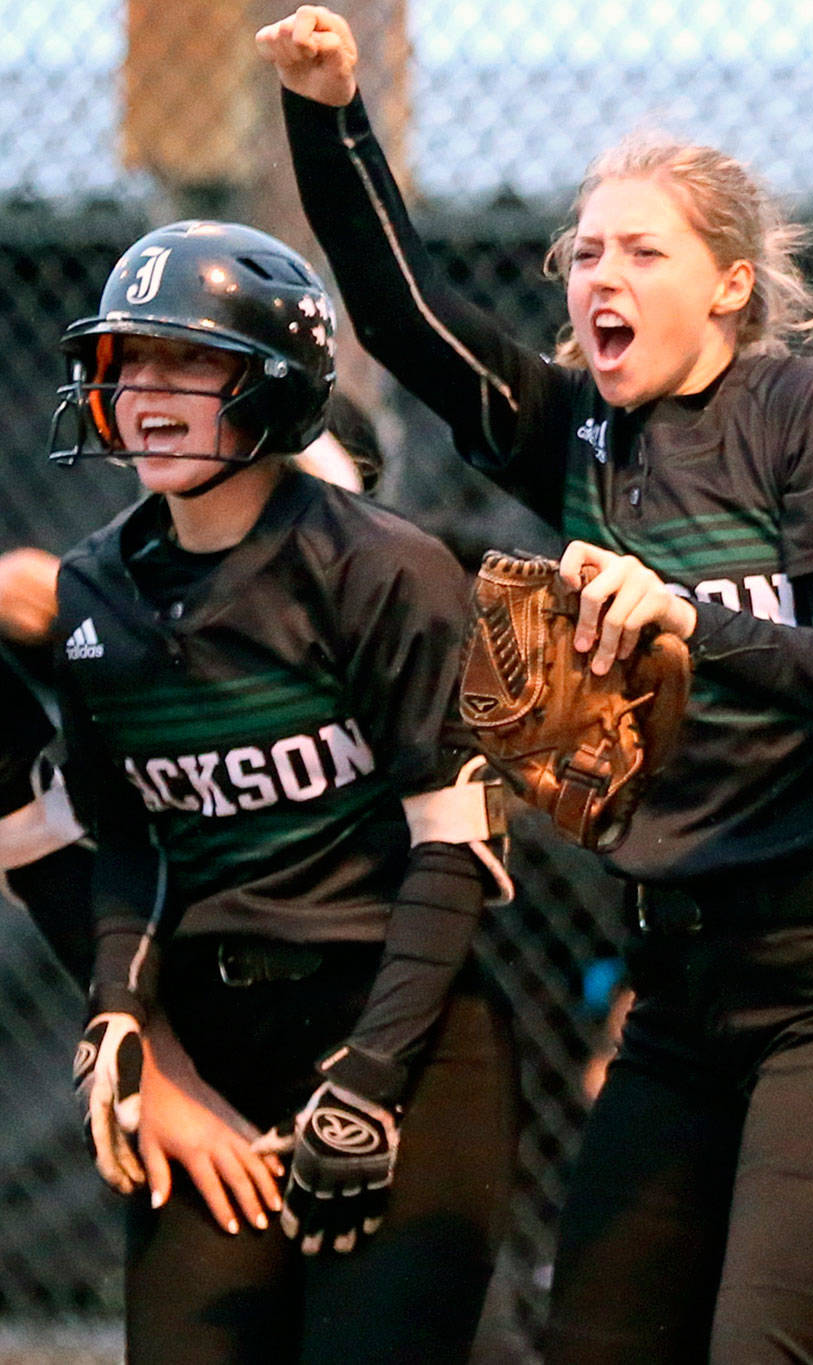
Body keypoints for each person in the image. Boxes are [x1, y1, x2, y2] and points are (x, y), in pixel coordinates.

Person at [258, 8, 813, 1360]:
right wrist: (327, 111)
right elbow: (402, 314)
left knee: (775, 1343)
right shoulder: (579, 432)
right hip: (676, 982)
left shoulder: (806, 412)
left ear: (729, 286)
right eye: (585, 251)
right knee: (593, 1337)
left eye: (644, 250)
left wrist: (691, 623)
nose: (603, 274)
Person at [48, 219, 515, 1363]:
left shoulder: (379, 568)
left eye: (189, 362)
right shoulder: (94, 587)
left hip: (398, 1024)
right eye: (128, 361)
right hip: (215, 1032)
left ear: (273, 385)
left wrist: (371, 1075)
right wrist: (119, 1003)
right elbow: (126, 842)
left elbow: (452, 849)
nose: (146, 392)